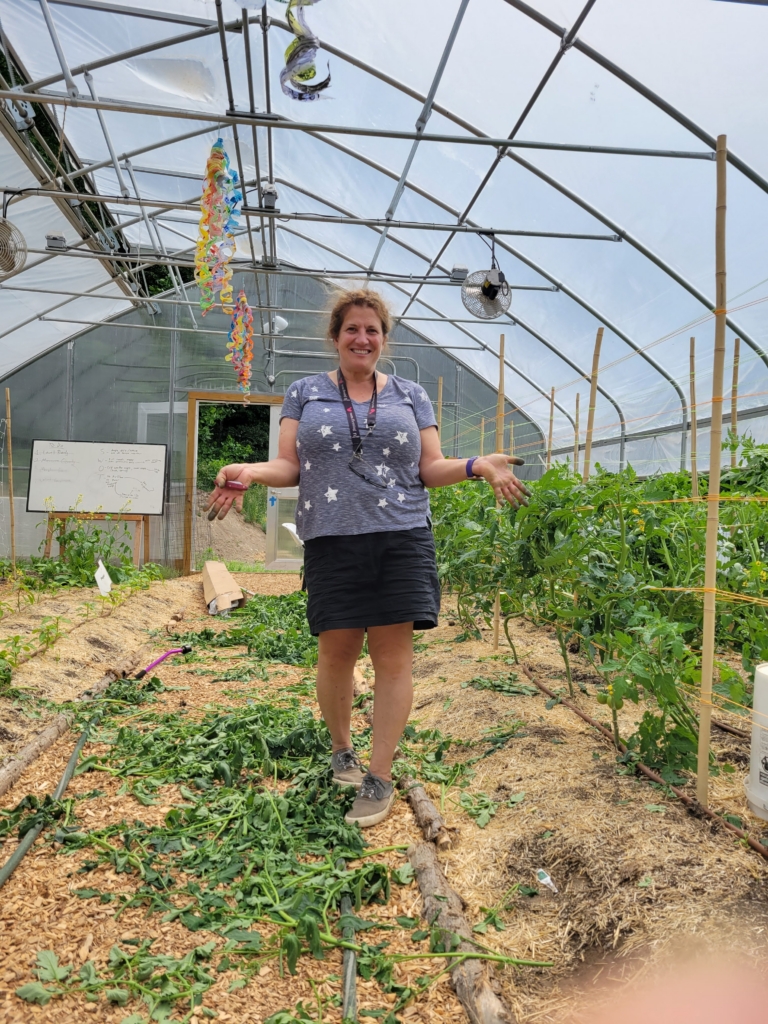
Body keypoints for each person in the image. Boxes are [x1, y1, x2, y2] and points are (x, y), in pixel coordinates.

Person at [206, 288, 530, 827]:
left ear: (384, 338)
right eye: (352, 329)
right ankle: (342, 751)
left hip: (401, 537)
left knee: (393, 660)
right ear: (335, 337)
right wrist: (251, 471)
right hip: (333, 539)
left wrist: (478, 464)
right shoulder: (305, 393)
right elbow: (289, 466)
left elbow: (430, 468)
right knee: (337, 654)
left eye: (372, 330)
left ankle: (379, 776)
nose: (362, 338)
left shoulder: (410, 394)